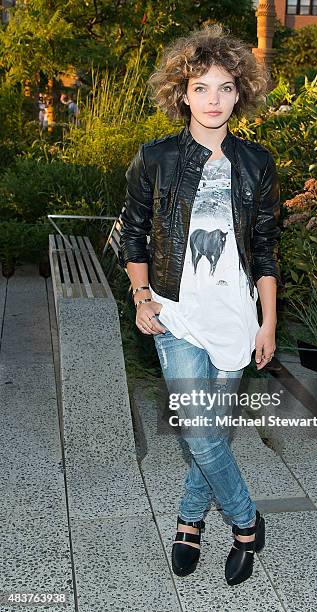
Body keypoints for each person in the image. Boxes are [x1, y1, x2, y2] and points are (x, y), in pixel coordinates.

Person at [118, 24, 282, 586]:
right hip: (177, 314)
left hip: (236, 316)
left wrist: (269, 324)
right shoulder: (157, 158)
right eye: (202, 88)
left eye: (226, 88)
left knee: (206, 430)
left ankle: (189, 520)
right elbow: (133, 233)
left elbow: (265, 250)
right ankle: (245, 522)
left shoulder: (257, 163)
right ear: (181, 93)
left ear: (241, 94)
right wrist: (141, 296)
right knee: (199, 428)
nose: (214, 100)